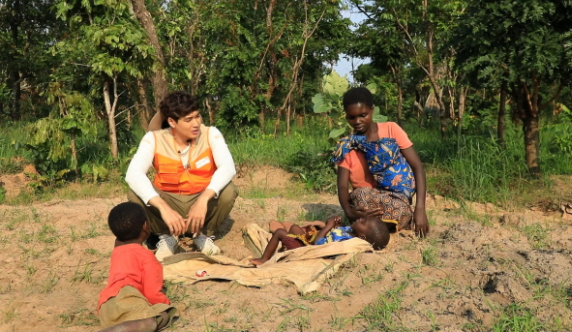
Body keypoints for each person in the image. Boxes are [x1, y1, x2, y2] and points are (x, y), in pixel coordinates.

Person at [126, 91, 238, 261]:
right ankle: (166, 237)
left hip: (201, 202)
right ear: (172, 122)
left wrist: (203, 199)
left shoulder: (211, 134)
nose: (196, 123)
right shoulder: (153, 139)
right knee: (134, 193)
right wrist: (163, 207)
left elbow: (228, 167)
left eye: (197, 116)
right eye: (188, 120)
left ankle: (203, 236)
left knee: (229, 190)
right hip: (168, 202)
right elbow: (133, 173)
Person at [334, 87, 429, 237]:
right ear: (347, 117)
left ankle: (376, 226)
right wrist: (350, 212)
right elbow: (342, 186)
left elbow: (417, 167)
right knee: (361, 195)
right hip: (368, 204)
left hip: (397, 199)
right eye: (352, 117)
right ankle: (377, 226)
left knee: (400, 209)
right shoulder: (347, 146)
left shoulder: (391, 130)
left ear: (372, 110)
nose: (357, 121)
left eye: (363, 115)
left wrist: (420, 209)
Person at [97, 202, 179, 332]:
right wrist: (165, 303)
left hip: (105, 306)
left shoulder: (118, 250)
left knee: (130, 320)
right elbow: (152, 294)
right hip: (129, 298)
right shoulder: (147, 257)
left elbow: (120, 241)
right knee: (160, 316)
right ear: (146, 226)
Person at [250, 216, 390, 266]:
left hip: (308, 249)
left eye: (363, 222)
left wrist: (329, 226)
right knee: (294, 227)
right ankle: (286, 232)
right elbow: (336, 231)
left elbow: (318, 244)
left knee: (280, 233)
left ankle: (264, 259)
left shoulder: (345, 241)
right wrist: (336, 224)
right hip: (310, 242)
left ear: (363, 237)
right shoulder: (349, 230)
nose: (360, 219)